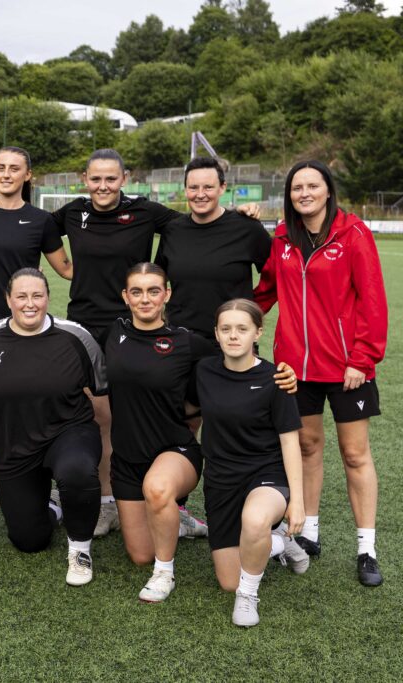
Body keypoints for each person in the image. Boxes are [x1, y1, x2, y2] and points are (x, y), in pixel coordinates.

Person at [52, 149, 259, 538]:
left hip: (160, 329)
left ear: (124, 178)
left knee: (184, 417)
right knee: (104, 417)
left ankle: (176, 502)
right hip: (100, 328)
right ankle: (108, 501)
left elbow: (203, 228)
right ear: (85, 179)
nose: (103, 185)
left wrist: (240, 218)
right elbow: (33, 227)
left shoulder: (151, 213)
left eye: (111, 178)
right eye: (95, 178)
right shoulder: (71, 211)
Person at [107, 263, 301, 603]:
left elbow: (238, 357)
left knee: (157, 489)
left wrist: (281, 374)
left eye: (154, 290)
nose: (145, 298)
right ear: (125, 297)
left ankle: (164, 573)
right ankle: (182, 522)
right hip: (127, 458)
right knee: (140, 554)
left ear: (167, 294)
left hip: (174, 452)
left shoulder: (187, 343)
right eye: (136, 291)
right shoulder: (112, 333)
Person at [254, 160, 388, 587]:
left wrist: (362, 359)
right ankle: (308, 532)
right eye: (297, 187)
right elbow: (266, 291)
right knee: (308, 446)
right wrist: (233, 321)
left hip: (348, 367)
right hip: (296, 366)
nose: (304, 193)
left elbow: (372, 299)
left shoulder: (353, 234)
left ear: (328, 190)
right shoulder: (282, 239)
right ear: (289, 195)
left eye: (313, 185)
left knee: (354, 454)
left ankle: (366, 546)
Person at [0, 269, 105, 586]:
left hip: (68, 432)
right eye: (22, 296)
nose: (30, 304)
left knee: (77, 470)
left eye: (37, 296)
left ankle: (80, 551)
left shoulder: (76, 337)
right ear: (8, 300)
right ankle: (54, 507)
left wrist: (107, 483)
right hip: (13, 445)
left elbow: (102, 391)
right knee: (29, 540)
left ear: (47, 298)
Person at [0, 147, 73, 514]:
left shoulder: (40, 220)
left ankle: (36, 476)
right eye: (0, 168)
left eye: (14, 168)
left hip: (27, 324)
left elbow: (67, 269)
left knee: (32, 400)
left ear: (28, 175)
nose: (6, 174)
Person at [196, 299, 306, 626]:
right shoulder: (204, 370)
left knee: (256, 520)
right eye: (226, 329)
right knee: (228, 579)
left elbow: (290, 442)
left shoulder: (276, 379)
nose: (233, 336)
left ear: (257, 332)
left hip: (265, 474)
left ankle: (248, 596)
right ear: (216, 334)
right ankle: (279, 541)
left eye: (242, 329)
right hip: (221, 480)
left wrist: (297, 502)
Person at [155, 157, 271, 342]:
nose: (200, 194)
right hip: (180, 342)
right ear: (185, 190)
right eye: (193, 188)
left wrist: (252, 310)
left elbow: (276, 276)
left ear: (222, 188)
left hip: (231, 342)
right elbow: (157, 281)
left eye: (208, 187)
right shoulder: (173, 230)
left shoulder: (248, 229)